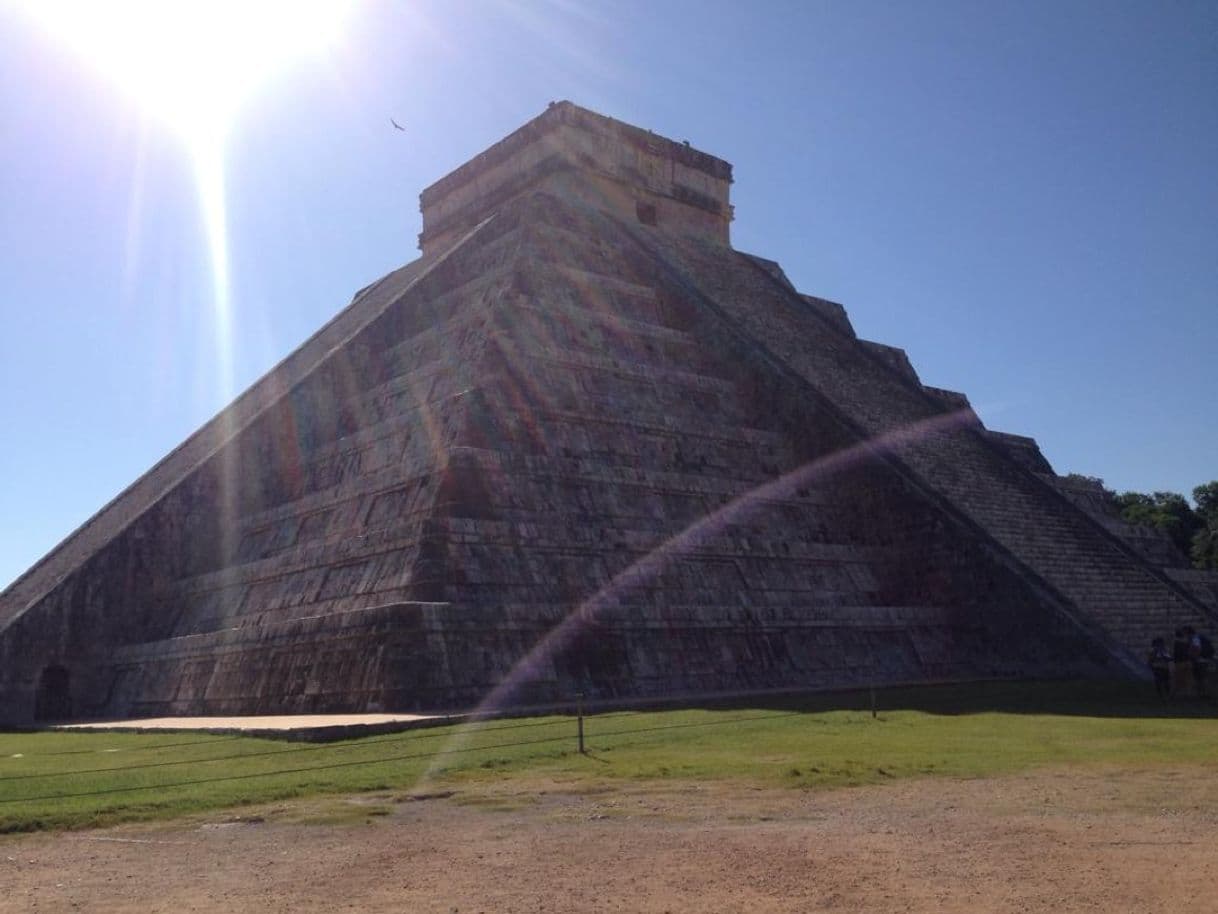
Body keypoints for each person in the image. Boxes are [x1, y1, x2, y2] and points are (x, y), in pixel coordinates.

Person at [1186, 626, 1213, 699]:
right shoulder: (1198, 637)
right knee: (1201, 678)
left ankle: (1205, 693)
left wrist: (1192, 656)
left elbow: (1197, 649)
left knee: (1201, 678)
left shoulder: (1195, 639)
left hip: (1199, 660)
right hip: (1203, 659)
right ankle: (1203, 693)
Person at [1171, 628, 1191, 697]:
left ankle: (1177, 693)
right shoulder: (1186, 642)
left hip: (1179, 663)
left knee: (1178, 679)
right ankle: (1187, 693)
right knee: (1187, 679)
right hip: (1187, 662)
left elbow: (1176, 654)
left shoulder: (1176, 643)